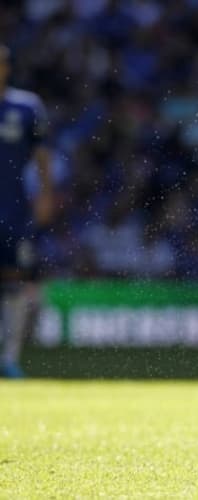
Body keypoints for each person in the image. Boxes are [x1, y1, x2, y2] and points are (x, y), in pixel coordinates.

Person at [0, 44, 55, 378]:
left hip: (13, 207)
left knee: (15, 280)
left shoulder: (27, 106)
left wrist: (47, 193)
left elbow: (42, 155)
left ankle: (9, 358)